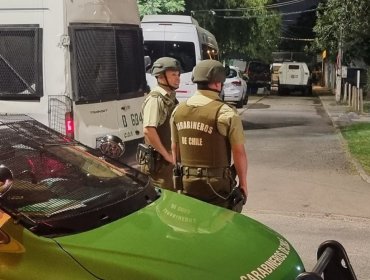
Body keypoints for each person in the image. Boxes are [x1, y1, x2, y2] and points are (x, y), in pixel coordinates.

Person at [170, 59, 248, 212]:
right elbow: (239, 153)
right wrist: (243, 185)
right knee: (219, 228)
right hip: (217, 188)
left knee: (190, 222)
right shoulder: (226, 113)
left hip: (187, 184)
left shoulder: (178, 110)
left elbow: (175, 150)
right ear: (218, 84)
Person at [140, 57, 181, 190]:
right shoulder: (155, 99)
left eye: (178, 74)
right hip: (159, 165)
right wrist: (167, 155)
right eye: (173, 74)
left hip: (167, 163)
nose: (178, 78)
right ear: (161, 77)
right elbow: (148, 130)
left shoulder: (169, 98)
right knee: (161, 203)